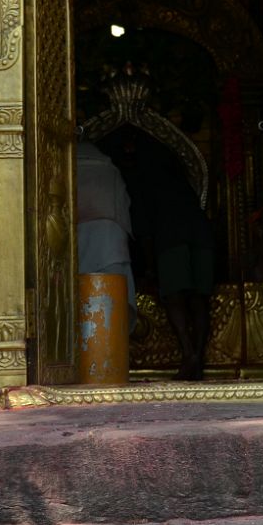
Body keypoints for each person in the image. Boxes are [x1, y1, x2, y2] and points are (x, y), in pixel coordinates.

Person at [122, 132, 214, 381]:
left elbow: (145, 232)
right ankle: (198, 356)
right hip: (201, 233)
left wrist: (150, 269)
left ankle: (189, 354)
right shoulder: (178, 177)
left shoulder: (142, 181)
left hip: (171, 236)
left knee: (174, 296)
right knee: (198, 298)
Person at [76, 141, 136, 329]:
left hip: (84, 241)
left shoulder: (70, 169)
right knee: (112, 309)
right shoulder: (109, 171)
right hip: (113, 247)